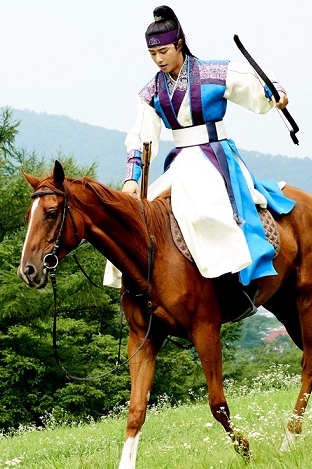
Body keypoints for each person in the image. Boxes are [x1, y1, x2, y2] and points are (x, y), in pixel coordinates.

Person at [103, 5, 296, 307]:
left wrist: (275, 93)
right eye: (152, 54)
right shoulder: (151, 91)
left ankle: (230, 287)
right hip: (180, 163)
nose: (159, 59)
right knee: (139, 218)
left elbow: (254, 80)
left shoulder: (211, 72)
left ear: (179, 44)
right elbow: (140, 136)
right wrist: (132, 179)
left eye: (163, 51)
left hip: (215, 157)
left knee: (207, 211)